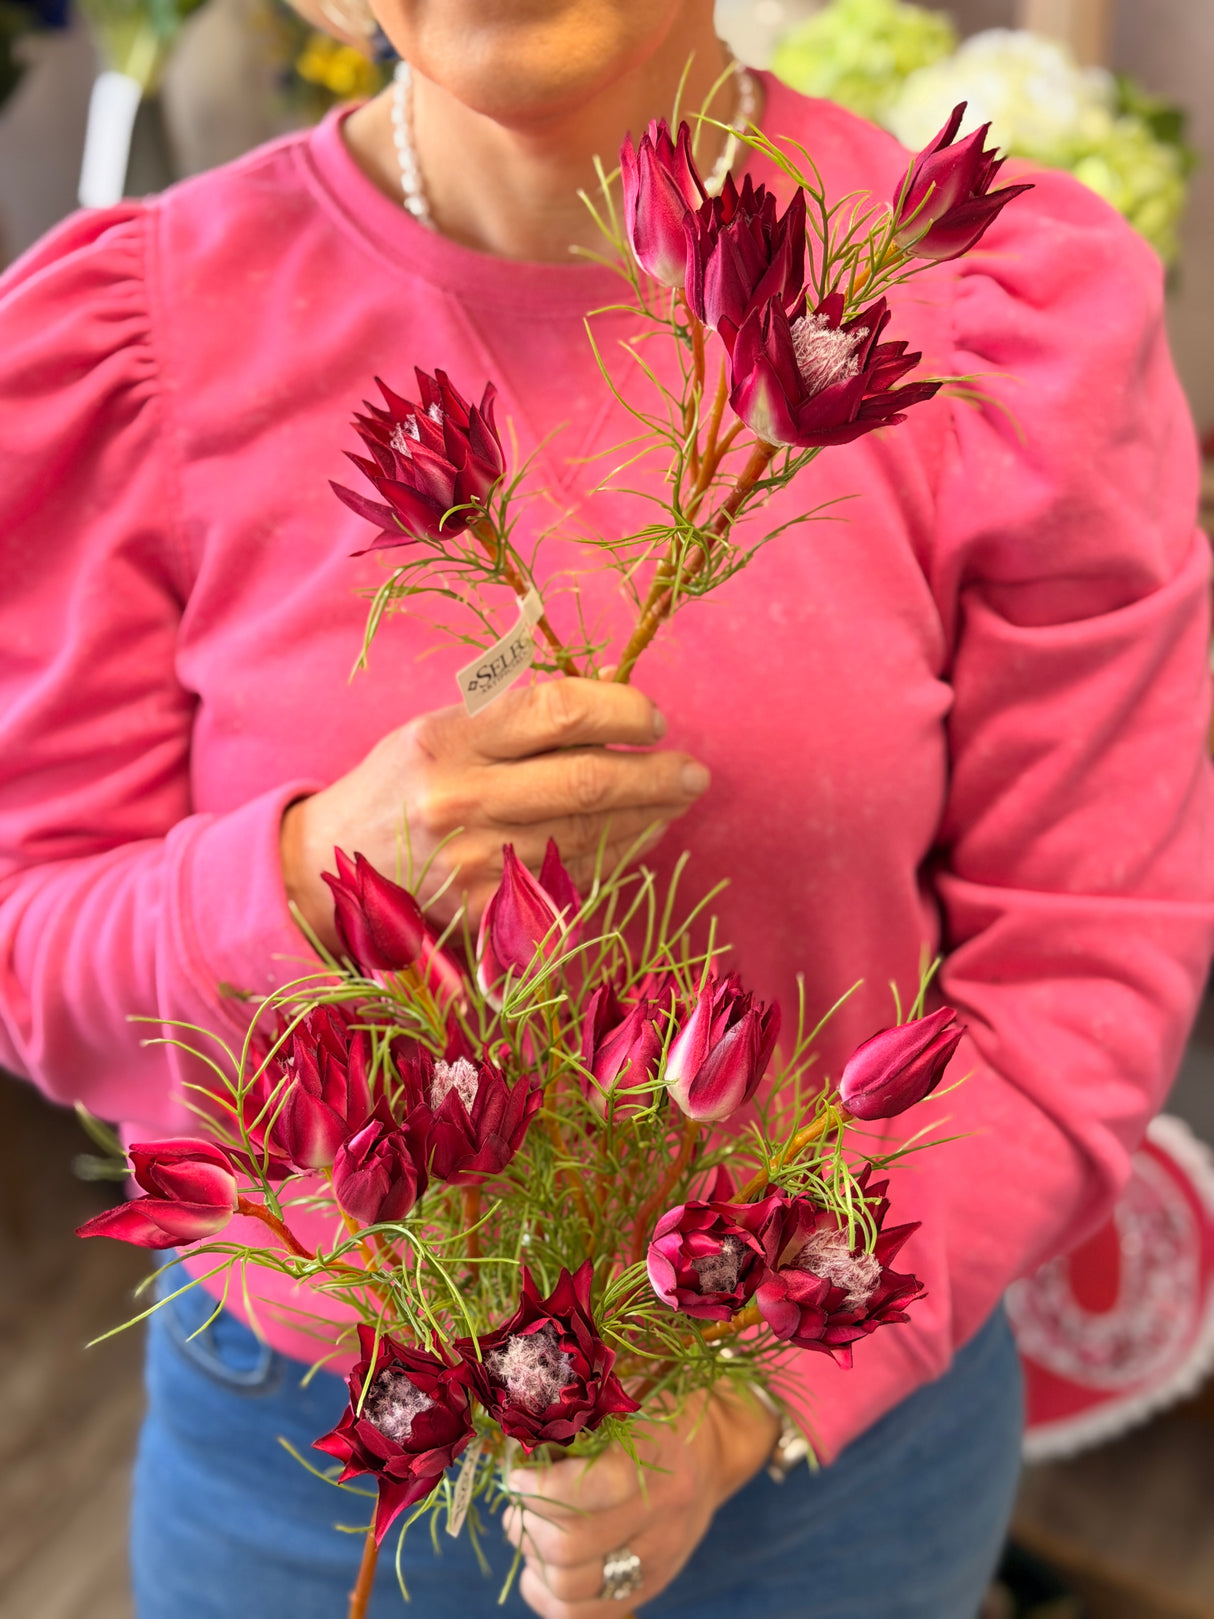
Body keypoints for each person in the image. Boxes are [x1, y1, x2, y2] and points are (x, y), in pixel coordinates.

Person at [0, 3, 1210, 1616]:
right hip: (321, 1470)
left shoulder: (983, 317)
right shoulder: (137, 335)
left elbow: (1083, 957)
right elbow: (33, 942)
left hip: (828, 1469)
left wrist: (746, 1388)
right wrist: (310, 873)